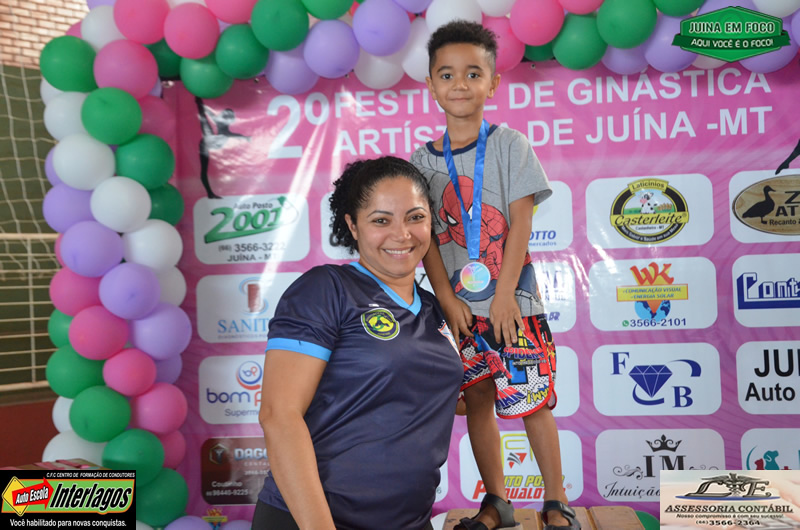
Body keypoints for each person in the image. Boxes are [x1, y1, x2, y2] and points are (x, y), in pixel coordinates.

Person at [410, 21, 580, 530]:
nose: (459, 84)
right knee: (479, 399)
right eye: (446, 74)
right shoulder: (420, 161)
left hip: (514, 304)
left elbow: (520, 225)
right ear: (431, 84)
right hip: (460, 309)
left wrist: (505, 295)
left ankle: (555, 501)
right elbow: (426, 239)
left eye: (472, 73)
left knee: (533, 401)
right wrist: (445, 298)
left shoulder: (510, 146)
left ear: (493, 82)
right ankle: (497, 502)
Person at [255, 156, 463, 530]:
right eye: (381, 220)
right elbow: (279, 415)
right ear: (352, 225)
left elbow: (422, 398)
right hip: (313, 521)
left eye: (415, 217)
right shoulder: (325, 289)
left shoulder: (435, 310)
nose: (402, 234)